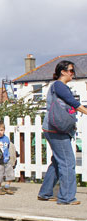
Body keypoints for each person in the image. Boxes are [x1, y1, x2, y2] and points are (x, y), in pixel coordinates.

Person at [38, 60, 87, 205]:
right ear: (63, 72)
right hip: (57, 129)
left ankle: (45, 193)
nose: (73, 73)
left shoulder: (58, 86)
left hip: (52, 128)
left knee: (57, 161)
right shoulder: (59, 85)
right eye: (71, 70)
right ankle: (66, 197)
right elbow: (74, 103)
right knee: (67, 162)